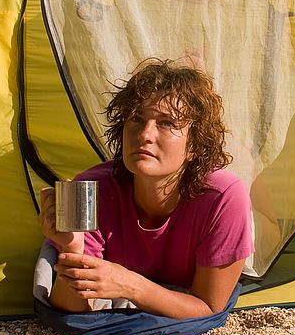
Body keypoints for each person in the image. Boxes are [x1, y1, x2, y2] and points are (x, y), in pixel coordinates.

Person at [39, 58, 254, 320]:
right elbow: (69, 310)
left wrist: (130, 285)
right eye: (137, 119)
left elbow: (209, 307)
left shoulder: (223, 197)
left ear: (195, 145)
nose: (144, 135)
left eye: (166, 123)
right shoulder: (93, 190)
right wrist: (72, 248)